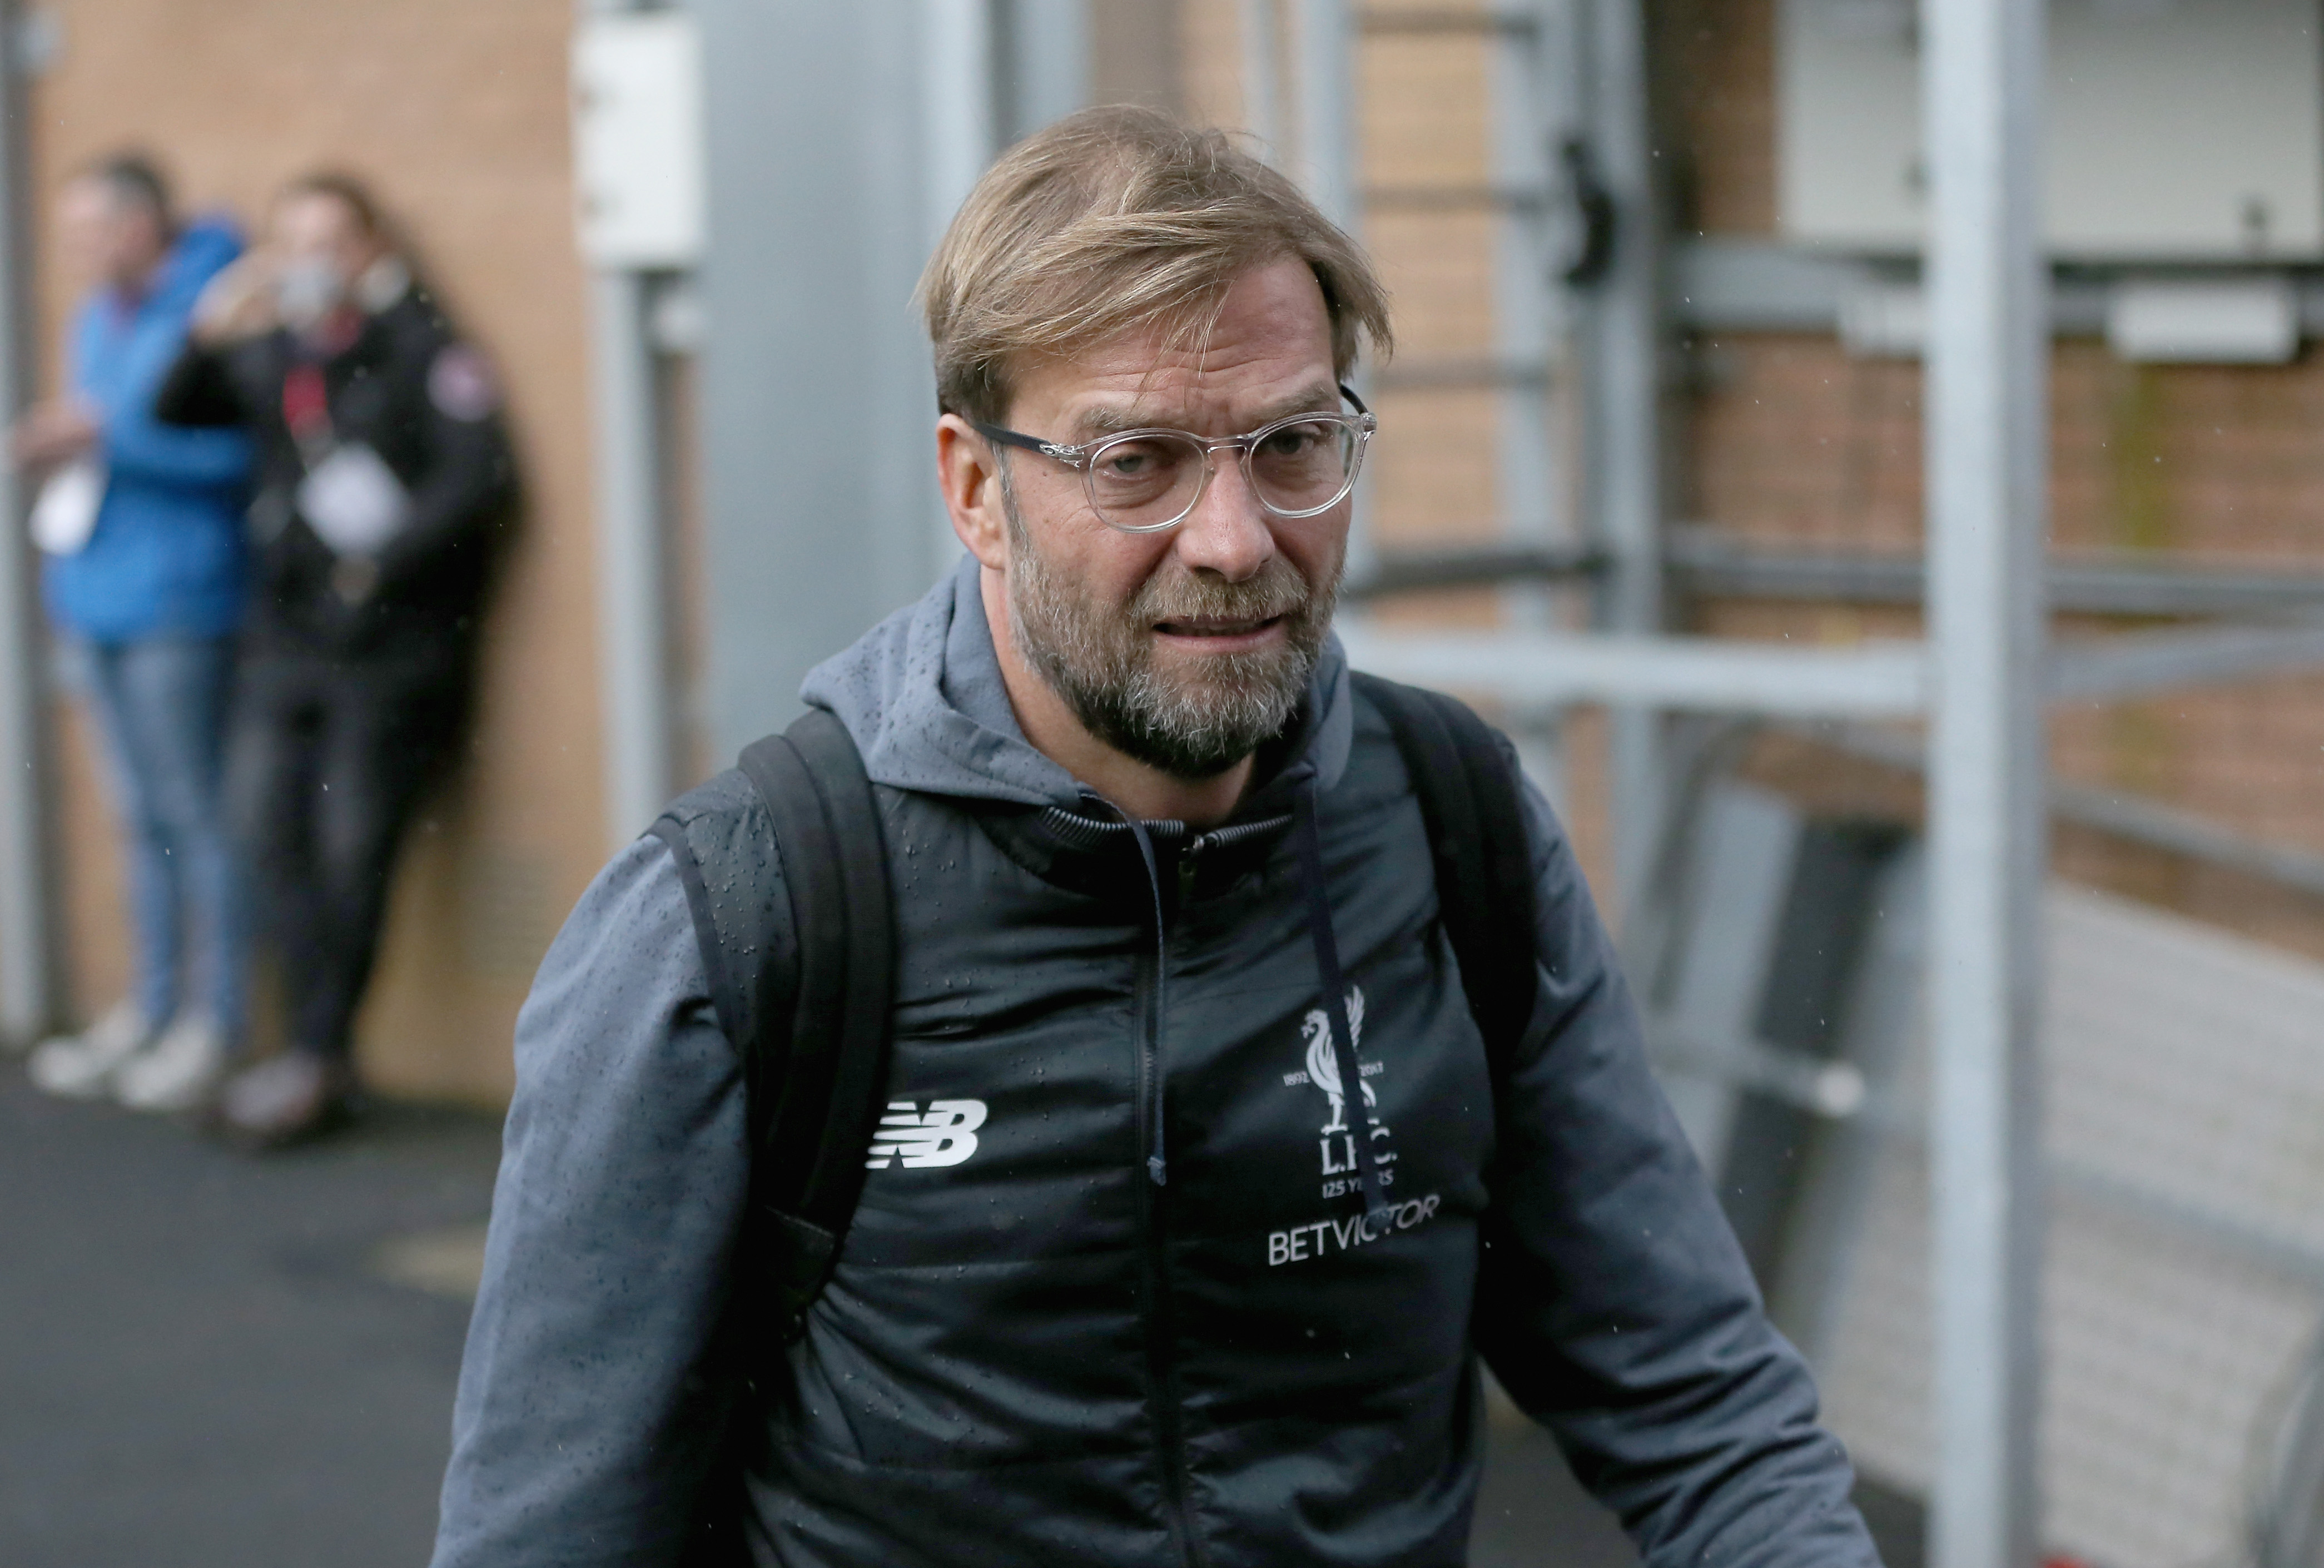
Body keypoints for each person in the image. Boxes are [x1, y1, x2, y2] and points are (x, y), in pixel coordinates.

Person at [432, 108, 1879, 1568]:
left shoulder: (1452, 829)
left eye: (1293, 442)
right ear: (976, 488)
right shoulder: (741, 918)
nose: (1237, 538)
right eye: (1136, 462)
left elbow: (1704, 1414)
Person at [154, 172, 515, 1145]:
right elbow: (175, 409)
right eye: (295, 241)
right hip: (286, 643)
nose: (315, 261)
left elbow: (481, 475)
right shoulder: (272, 352)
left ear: (370, 250)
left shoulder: (422, 346)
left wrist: (379, 563)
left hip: (388, 651)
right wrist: (212, 317)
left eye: (332, 241)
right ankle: (304, 1050)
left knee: (354, 847)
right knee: (271, 839)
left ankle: (323, 1054)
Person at [21, 155, 254, 1112]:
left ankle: (217, 1024)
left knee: (197, 818)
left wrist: (106, 436)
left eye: (90, 232)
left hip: (179, 598)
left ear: (140, 223)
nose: (76, 253)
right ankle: (152, 1009)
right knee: (137, 822)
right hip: (100, 595)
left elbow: (238, 452)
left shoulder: (216, 308)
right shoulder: (94, 319)